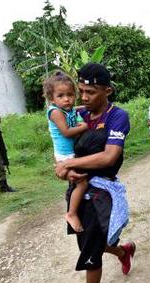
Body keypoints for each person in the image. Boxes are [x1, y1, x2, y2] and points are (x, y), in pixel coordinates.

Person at [54, 63, 135, 283]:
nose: (84, 97)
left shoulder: (117, 117)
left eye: (91, 92)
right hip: (78, 187)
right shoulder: (76, 115)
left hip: (101, 192)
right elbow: (63, 146)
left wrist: (72, 166)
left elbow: (109, 156)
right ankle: (123, 251)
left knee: (90, 249)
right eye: (81, 91)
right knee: (90, 243)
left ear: (107, 90)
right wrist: (64, 169)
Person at [44, 71, 89, 232]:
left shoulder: (68, 109)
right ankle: (71, 213)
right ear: (52, 99)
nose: (66, 99)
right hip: (65, 155)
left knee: (77, 180)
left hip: (71, 153)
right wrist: (83, 127)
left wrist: (84, 107)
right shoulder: (55, 112)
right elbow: (67, 132)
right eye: (61, 95)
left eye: (70, 95)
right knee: (81, 183)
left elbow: (73, 109)